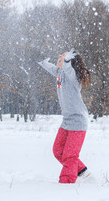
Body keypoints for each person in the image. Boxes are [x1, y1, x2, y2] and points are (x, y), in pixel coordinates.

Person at [38, 48, 91, 183]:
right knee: (58, 151)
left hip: (78, 122)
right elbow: (53, 69)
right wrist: (43, 63)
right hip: (67, 121)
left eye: (64, 55)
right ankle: (81, 171)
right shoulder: (60, 73)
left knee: (69, 156)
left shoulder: (72, 77)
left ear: (69, 61)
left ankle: (66, 185)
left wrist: (67, 59)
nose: (60, 55)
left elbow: (68, 69)